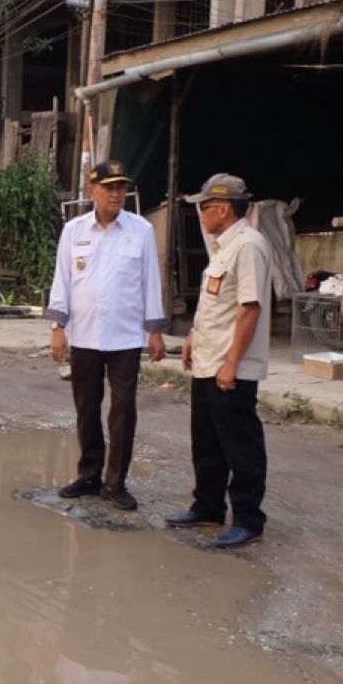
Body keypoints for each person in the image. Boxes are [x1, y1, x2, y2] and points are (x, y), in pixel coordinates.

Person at [46, 160, 167, 511]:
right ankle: (88, 475)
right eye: (109, 187)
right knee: (86, 408)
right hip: (84, 336)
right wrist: (58, 328)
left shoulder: (140, 230)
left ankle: (116, 483)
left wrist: (154, 331)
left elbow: (150, 283)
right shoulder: (74, 231)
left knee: (123, 411)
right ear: (91, 191)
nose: (116, 194)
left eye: (121, 187)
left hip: (126, 338)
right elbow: (62, 281)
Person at [165, 174, 271, 549]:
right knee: (207, 443)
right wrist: (194, 336)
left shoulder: (248, 246)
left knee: (241, 447)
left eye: (204, 206)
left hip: (231, 368)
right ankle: (207, 506)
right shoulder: (223, 247)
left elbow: (249, 309)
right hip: (209, 362)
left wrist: (231, 363)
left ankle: (248, 519)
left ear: (223, 209)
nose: (200, 212)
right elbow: (217, 303)